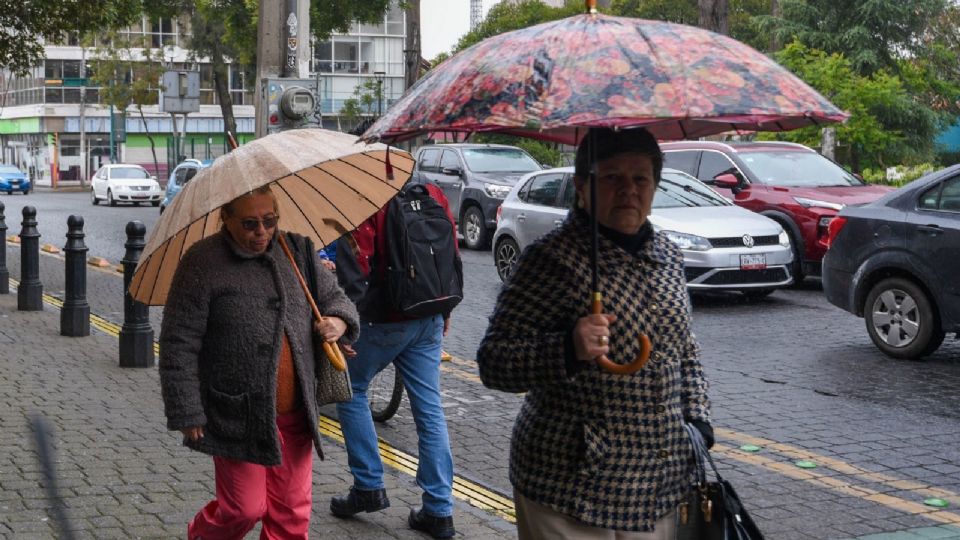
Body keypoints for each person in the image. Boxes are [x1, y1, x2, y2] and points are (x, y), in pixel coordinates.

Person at [475, 127, 713, 539]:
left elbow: (684, 350)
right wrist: (568, 348)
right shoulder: (551, 260)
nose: (629, 190)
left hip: (657, 486)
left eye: (641, 178)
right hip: (569, 489)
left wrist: (698, 417)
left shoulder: (668, 256)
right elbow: (494, 361)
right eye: (613, 177)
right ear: (583, 187)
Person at [159, 185, 360, 540]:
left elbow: (337, 298)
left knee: (291, 514)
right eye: (250, 223)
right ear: (226, 217)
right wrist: (186, 409)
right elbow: (179, 341)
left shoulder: (297, 250)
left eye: (270, 220)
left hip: (296, 412)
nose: (262, 231)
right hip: (237, 413)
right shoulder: (202, 261)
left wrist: (339, 322)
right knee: (243, 509)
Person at [330, 182, 458, 539]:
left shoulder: (365, 199)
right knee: (429, 409)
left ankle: (368, 485)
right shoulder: (432, 192)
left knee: (350, 389)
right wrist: (445, 310)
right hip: (429, 314)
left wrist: (346, 325)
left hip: (382, 320)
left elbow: (355, 268)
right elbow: (449, 253)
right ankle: (439, 509)